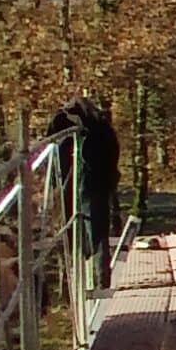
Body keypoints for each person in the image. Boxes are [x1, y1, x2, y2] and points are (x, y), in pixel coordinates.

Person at [45, 96, 122, 286]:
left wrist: (57, 183)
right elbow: (113, 152)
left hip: (72, 182)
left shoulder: (60, 125)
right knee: (98, 232)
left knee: (71, 232)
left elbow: (52, 154)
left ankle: (75, 282)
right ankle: (100, 279)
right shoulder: (100, 126)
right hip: (96, 182)